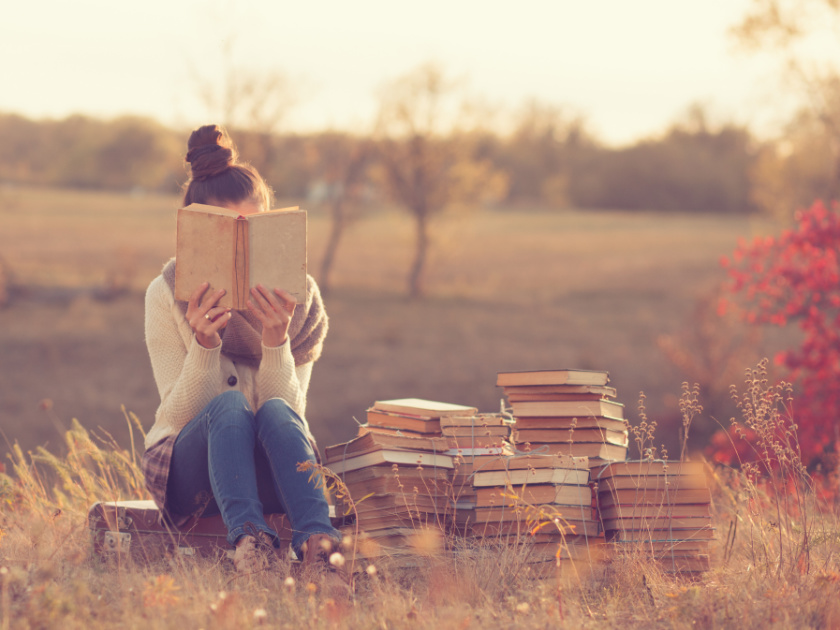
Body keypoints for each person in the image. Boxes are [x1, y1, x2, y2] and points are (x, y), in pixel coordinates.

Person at [141, 124, 341, 573]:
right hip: (192, 472)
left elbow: (290, 415)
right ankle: (250, 544)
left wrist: (276, 342)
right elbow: (176, 417)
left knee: (274, 412)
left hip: (272, 467)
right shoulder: (165, 292)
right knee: (229, 406)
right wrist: (205, 346)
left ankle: (320, 544)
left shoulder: (301, 297)